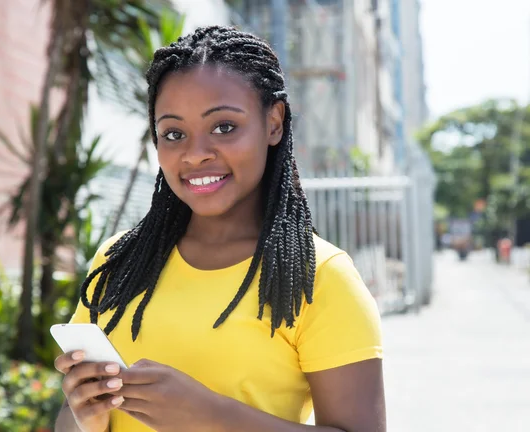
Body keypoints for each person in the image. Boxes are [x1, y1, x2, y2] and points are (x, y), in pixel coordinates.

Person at [54, 26, 385, 432]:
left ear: (274, 123)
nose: (195, 154)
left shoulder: (320, 276)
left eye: (224, 127)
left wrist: (209, 416)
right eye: (173, 134)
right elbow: (68, 422)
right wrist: (86, 418)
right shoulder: (118, 262)